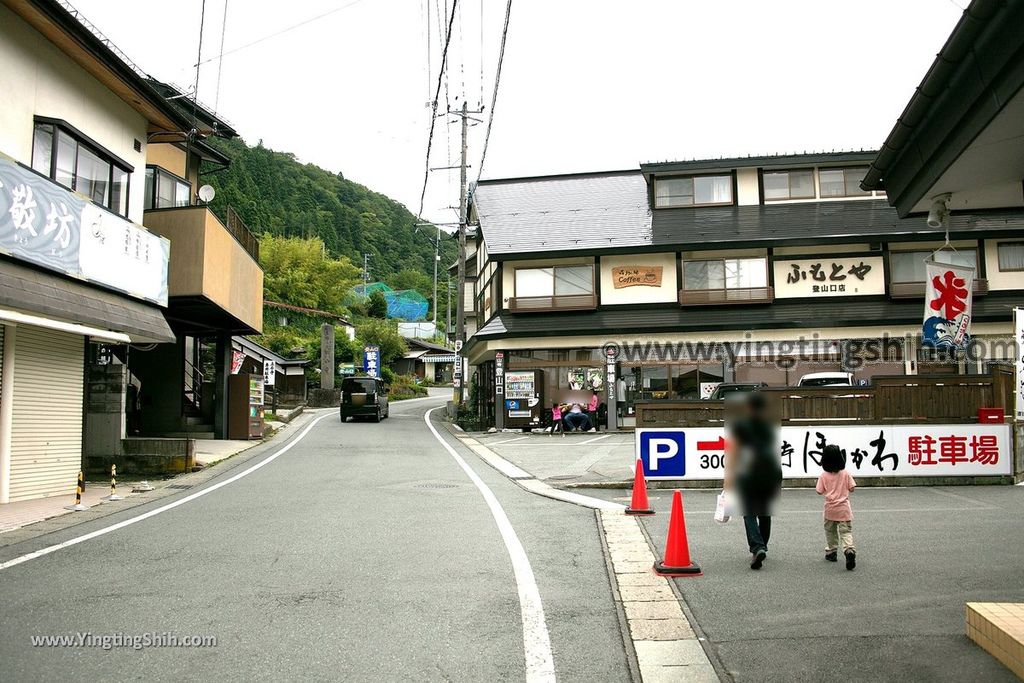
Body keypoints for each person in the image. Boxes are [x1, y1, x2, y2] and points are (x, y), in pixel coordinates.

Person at [724, 392, 782, 570]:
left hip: (749, 471)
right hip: (770, 470)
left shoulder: (741, 426)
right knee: (765, 511)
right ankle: (762, 545)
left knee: (749, 511)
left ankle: (758, 547)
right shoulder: (769, 426)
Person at [816, 444, 857, 570]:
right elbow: (852, 488)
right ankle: (849, 549)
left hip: (830, 509)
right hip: (844, 509)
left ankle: (832, 551)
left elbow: (819, 490)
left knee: (830, 531)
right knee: (846, 532)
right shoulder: (845, 474)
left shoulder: (824, 475)